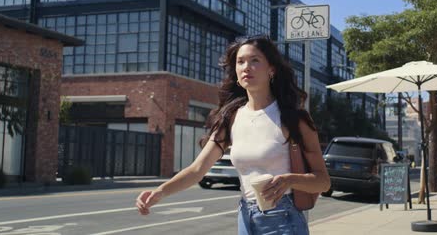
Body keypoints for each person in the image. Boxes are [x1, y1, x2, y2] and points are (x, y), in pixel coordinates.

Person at [136, 35, 330, 235]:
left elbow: (323, 181)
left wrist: (290, 180)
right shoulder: (230, 118)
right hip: (246, 218)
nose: (246, 67)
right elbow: (197, 170)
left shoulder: (293, 119)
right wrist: (160, 192)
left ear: (271, 69)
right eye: (240, 61)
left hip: (284, 219)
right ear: (236, 72)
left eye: (255, 60)